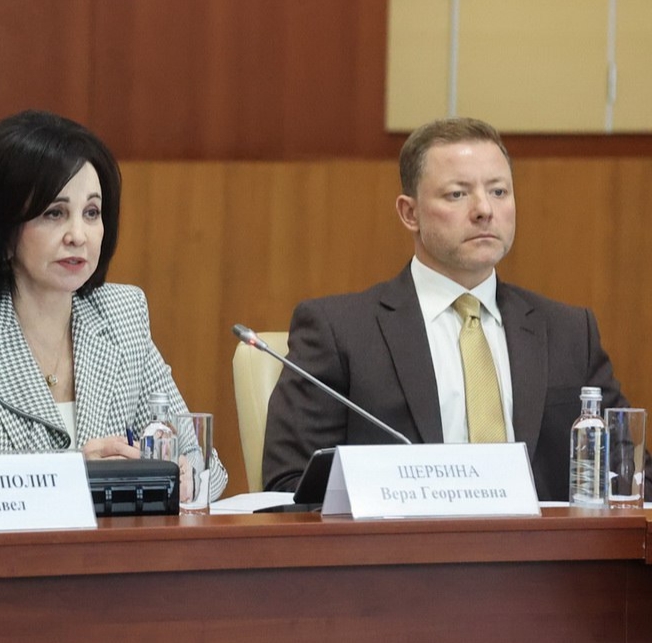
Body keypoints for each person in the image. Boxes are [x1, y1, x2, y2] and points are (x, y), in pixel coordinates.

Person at [262, 117, 626, 501]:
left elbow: (630, 478)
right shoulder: (340, 333)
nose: (484, 209)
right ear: (410, 213)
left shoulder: (570, 332)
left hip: (544, 541)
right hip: (401, 539)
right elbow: (290, 488)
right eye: (457, 194)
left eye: (499, 191)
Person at [0, 110, 227, 502]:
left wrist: (184, 477)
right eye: (54, 213)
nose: (78, 235)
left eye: (91, 213)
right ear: (2, 230)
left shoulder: (122, 314)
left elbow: (206, 465)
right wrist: (69, 476)